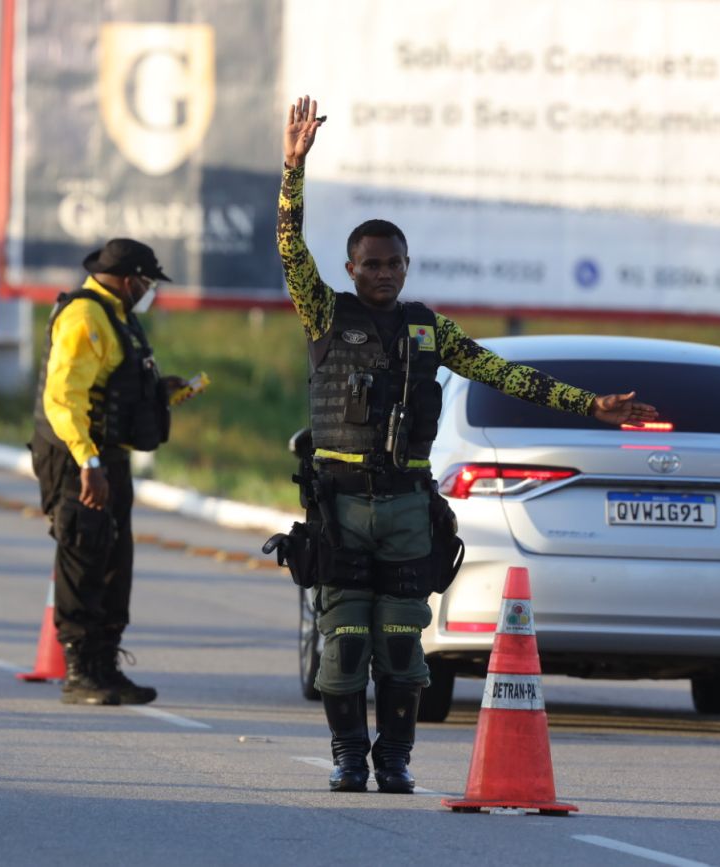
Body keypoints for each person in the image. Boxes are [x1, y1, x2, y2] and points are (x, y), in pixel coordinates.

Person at [277, 95, 658, 794]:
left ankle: (394, 760)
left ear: (407, 265)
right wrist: (294, 170)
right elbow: (290, 251)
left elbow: (502, 373)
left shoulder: (430, 329)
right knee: (344, 648)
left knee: (401, 649)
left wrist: (589, 406)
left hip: (404, 510)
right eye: (371, 263)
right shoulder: (326, 312)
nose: (383, 273)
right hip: (339, 507)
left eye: (394, 263)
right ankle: (347, 757)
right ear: (352, 266)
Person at [31, 238, 188, 706]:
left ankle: (104, 666)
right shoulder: (84, 317)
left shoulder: (116, 315)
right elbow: (64, 399)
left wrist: (162, 391)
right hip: (81, 459)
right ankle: (79, 671)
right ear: (128, 279)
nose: (149, 290)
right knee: (83, 556)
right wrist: (89, 462)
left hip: (108, 457)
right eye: (146, 282)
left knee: (115, 563)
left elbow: (113, 388)